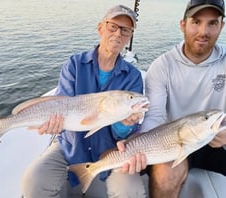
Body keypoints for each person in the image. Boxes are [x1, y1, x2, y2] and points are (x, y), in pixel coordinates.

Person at [22, 4, 148, 198]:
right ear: (100, 28)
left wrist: (124, 124)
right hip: (70, 144)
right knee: (34, 180)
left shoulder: (133, 77)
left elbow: (125, 132)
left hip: (112, 149)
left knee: (130, 192)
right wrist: (55, 125)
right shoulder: (74, 65)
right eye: (113, 26)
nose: (118, 34)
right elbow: (61, 106)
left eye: (125, 30)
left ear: (130, 36)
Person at [140, 0, 226, 197]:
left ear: (222, 25)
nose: (203, 31)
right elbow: (154, 117)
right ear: (183, 24)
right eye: (196, 21)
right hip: (174, 143)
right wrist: (140, 145)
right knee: (164, 177)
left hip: (218, 140)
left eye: (212, 23)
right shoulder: (162, 66)